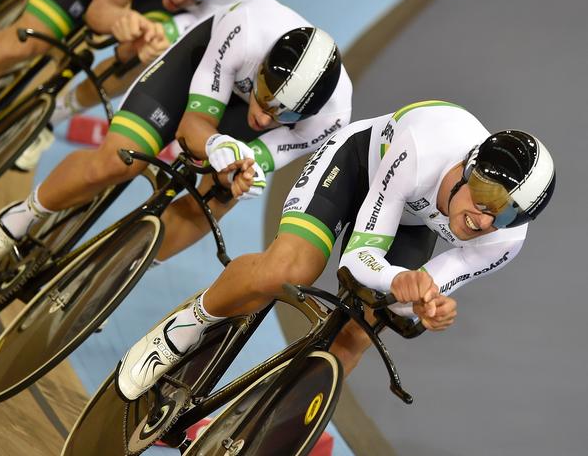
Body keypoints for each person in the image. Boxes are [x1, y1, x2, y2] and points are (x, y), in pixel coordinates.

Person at [114, 100, 556, 401]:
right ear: (465, 170)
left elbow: (420, 291)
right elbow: (358, 259)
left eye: (505, 217)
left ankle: (264, 418)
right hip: (359, 167)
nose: (485, 222)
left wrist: (425, 304)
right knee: (290, 268)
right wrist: (397, 281)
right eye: (483, 203)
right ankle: (188, 325)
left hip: (409, 219)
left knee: (362, 329)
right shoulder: (425, 147)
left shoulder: (504, 240)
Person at [0, 0, 353, 289]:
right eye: (265, 97)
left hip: (242, 120)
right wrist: (215, 145)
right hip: (197, 73)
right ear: (262, 65)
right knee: (117, 161)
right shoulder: (247, 31)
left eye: (284, 115)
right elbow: (193, 124)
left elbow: (256, 159)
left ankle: (113, 281)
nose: (265, 117)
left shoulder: (331, 118)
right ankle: (18, 219)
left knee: (216, 198)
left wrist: (242, 171)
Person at [0, 0, 258, 169]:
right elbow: (101, 9)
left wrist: (140, 38)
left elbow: (157, 45)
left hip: (164, 6)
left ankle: (54, 116)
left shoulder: (234, 0)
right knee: (29, 40)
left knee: (144, 55)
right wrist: (118, 19)